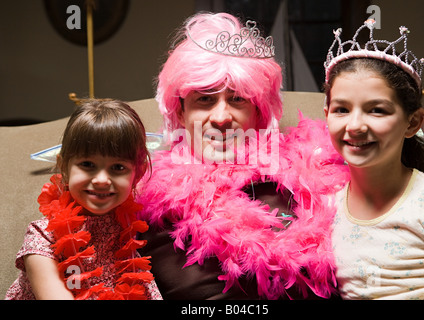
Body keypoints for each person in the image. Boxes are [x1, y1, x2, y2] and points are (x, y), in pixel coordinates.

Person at [137, 12, 349, 299]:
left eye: (237, 99)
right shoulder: (144, 197)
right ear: (180, 111)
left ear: (258, 112)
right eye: (205, 99)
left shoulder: (309, 177)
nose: (222, 117)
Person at [324, 20, 424, 299]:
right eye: (342, 109)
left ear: (412, 122)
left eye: (377, 111)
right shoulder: (322, 210)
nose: (355, 125)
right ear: (326, 115)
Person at [5, 99, 162, 300]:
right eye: (87, 164)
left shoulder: (131, 228)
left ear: (138, 174)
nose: (102, 180)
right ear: (64, 168)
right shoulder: (42, 237)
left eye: (118, 168)